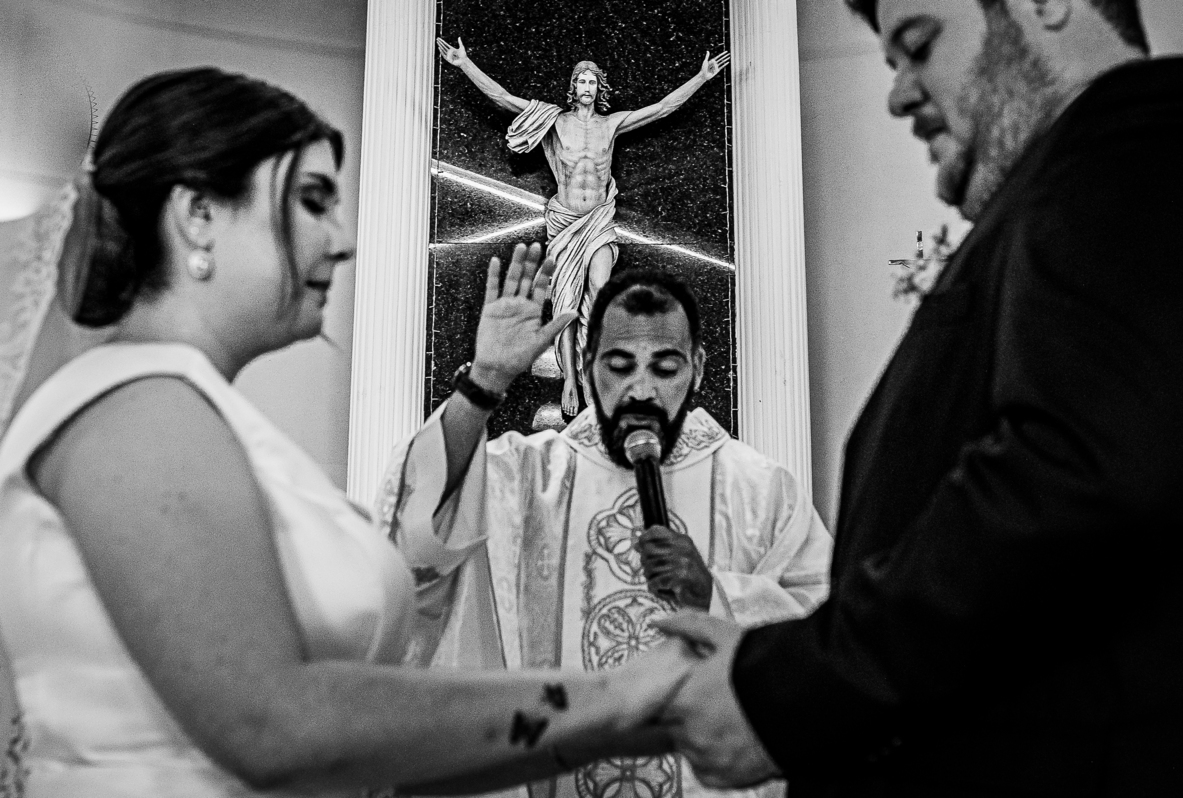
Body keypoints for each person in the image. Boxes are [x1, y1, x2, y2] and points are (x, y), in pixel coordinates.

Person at [0, 67, 694, 797]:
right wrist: (621, 698)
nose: (341, 242)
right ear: (198, 215)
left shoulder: (201, 414)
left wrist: (484, 384)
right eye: (312, 202)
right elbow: (273, 725)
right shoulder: (139, 412)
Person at [655, 0, 1183, 795]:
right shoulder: (1064, 187)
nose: (899, 94)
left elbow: (1079, 472)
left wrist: (797, 691)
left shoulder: (1134, 138)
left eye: (919, 45)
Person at [380, 261, 832, 798]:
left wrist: (717, 593)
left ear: (699, 368)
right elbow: (414, 536)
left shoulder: (760, 491)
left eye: (665, 368)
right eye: (620, 366)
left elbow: (826, 639)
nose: (641, 390)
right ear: (589, 364)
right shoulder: (527, 475)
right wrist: (486, 381)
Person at [435, 37, 730, 415]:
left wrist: (702, 78)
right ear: (572, 89)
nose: (587, 88)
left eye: (592, 82)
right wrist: (465, 64)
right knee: (566, 301)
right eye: (581, 82)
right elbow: (505, 99)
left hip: (599, 220)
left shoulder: (610, 125)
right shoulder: (555, 122)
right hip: (566, 221)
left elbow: (661, 108)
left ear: (598, 88)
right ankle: (571, 379)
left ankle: (595, 370)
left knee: (600, 287)